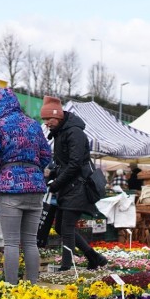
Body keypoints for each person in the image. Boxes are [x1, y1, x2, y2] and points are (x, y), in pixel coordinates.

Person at [0, 88, 52, 284]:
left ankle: (11, 290)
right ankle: (33, 286)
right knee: (30, 241)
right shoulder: (34, 125)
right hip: (36, 188)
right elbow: (46, 155)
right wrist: (34, 171)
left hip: (11, 187)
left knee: (11, 243)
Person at [41, 96, 108, 272]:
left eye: (49, 119)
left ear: (58, 115)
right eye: (45, 120)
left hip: (78, 186)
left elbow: (75, 164)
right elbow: (65, 163)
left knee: (66, 227)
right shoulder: (61, 132)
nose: (46, 123)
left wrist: (55, 184)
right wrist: (53, 173)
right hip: (70, 187)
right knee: (61, 227)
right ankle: (94, 256)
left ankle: (66, 266)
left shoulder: (74, 132)